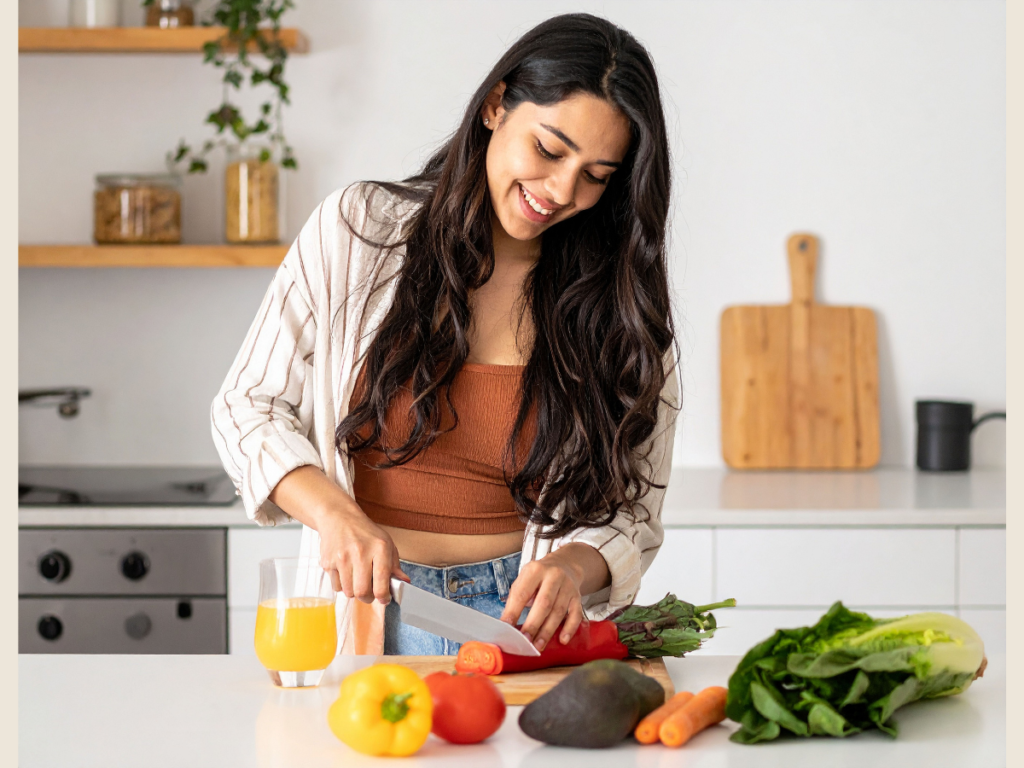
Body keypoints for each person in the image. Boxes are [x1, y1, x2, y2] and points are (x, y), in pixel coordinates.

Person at [211, 12, 681, 657]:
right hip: (367, 610)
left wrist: (573, 568)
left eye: (597, 175)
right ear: (496, 105)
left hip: (518, 630)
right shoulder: (360, 231)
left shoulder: (619, 304)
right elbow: (247, 406)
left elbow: (633, 511)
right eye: (548, 149)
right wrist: (335, 516)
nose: (563, 190)